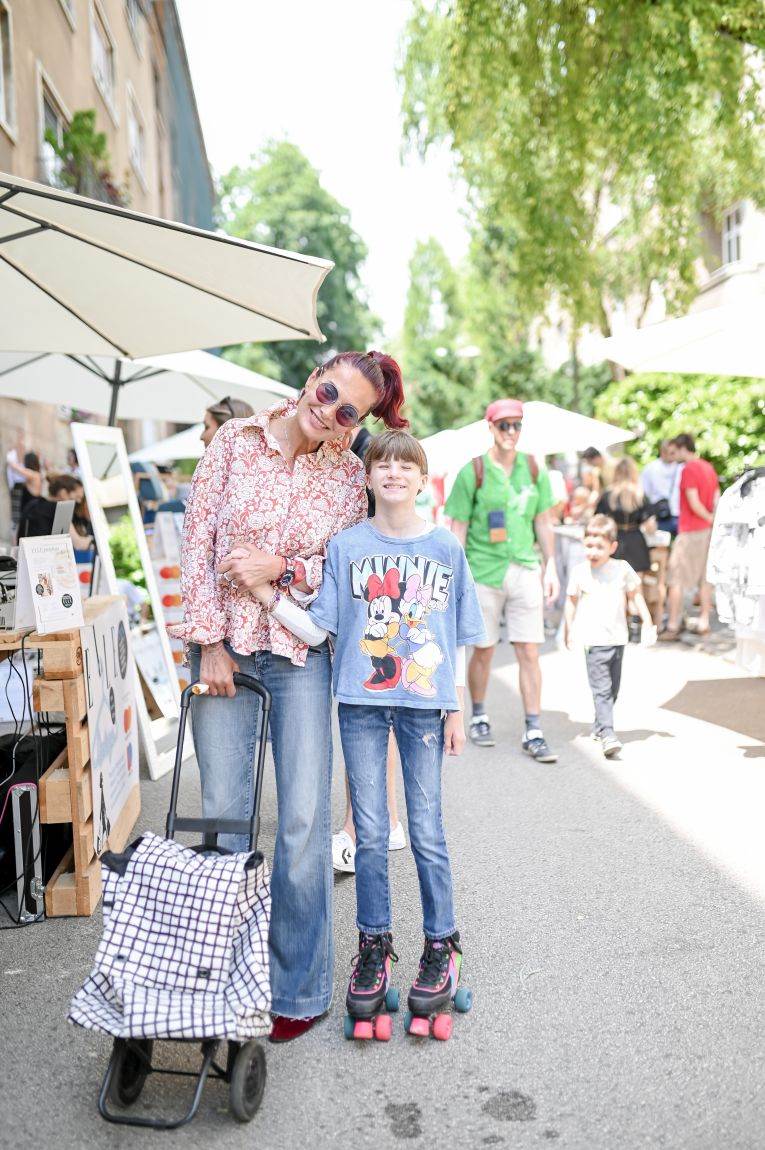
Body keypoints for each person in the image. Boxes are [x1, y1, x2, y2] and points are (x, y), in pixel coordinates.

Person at [173, 350, 407, 1044]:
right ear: (311, 378)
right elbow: (196, 541)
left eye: (347, 412)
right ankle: (221, 980)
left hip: (301, 655)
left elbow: (339, 567)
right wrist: (209, 641)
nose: (330, 410)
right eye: (328, 391)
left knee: (303, 824)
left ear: (353, 426)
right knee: (223, 818)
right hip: (225, 649)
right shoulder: (232, 441)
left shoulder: (345, 477)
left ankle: (296, 987)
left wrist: (282, 566)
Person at [247, 430, 485, 1030]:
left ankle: (441, 946)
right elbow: (317, 629)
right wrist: (265, 596)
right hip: (360, 703)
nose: (395, 473)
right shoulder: (348, 546)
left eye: (407, 465)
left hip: (425, 709)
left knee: (427, 828)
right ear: (369, 476)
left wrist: (455, 707)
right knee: (372, 834)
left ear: (421, 479)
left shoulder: (444, 550)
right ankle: (373, 948)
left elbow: (457, 635)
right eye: (384, 463)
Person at [445, 398, 560, 761]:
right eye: (504, 425)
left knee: (529, 649)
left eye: (517, 425)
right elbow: (457, 528)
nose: (511, 432)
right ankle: (479, 714)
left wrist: (552, 566)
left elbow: (543, 520)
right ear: (490, 428)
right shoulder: (473, 471)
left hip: (525, 566)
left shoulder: (533, 468)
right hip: (483, 569)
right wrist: (456, 577)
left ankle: (534, 727)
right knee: (484, 649)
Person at [332, 422, 406, 875]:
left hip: (373, 597)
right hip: (345, 591)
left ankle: (359, 825)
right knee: (369, 712)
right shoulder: (328, 446)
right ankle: (382, 819)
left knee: (374, 711)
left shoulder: (365, 451)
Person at [564, 515, 656, 758]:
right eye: (588, 545)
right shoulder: (580, 572)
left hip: (618, 638)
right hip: (592, 641)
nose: (592, 552)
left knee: (613, 689)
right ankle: (608, 734)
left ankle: (599, 723)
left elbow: (636, 595)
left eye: (599, 547)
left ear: (612, 547)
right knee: (602, 689)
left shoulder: (622, 569)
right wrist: (568, 628)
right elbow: (571, 602)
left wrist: (647, 620)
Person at [661, 434, 720, 640]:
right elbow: (716, 497)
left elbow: (693, 502)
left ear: (682, 447)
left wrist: (708, 518)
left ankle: (673, 624)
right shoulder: (708, 467)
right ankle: (703, 621)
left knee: (675, 579)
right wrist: (714, 519)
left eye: (673, 451)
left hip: (691, 530)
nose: (671, 456)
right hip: (708, 531)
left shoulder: (689, 469)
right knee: (705, 579)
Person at [596, 457, 655, 574]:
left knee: (614, 583)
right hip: (636, 542)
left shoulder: (608, 494)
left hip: (614, 541)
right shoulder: (640, 494)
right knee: (637, 586)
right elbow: (650, 526)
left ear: (616, 472)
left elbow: (598, 520)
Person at [641, 439, 680, 536]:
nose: (674, 455)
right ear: (662, 452)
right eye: (671, 453)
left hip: (679, 514)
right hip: (659, 515)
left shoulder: (681, 467)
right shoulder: (650, 469)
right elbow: (644, 493)